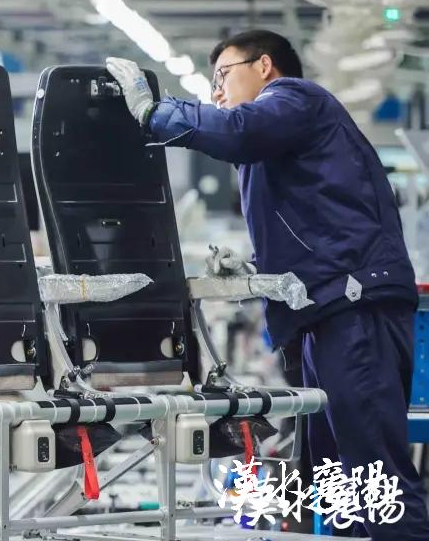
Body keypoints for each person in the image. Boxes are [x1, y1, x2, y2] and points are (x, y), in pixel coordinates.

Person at [106, 29, 429, 540]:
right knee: (336, 480)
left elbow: (237, 130)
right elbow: (308, 221)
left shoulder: (294, 97)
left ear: (264, 66)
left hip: (352, 306)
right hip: (324, 311)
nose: (216, 91)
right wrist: (256, 270)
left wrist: (155, 112)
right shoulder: (277, 144)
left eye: (223, 75)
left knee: (374, 475)